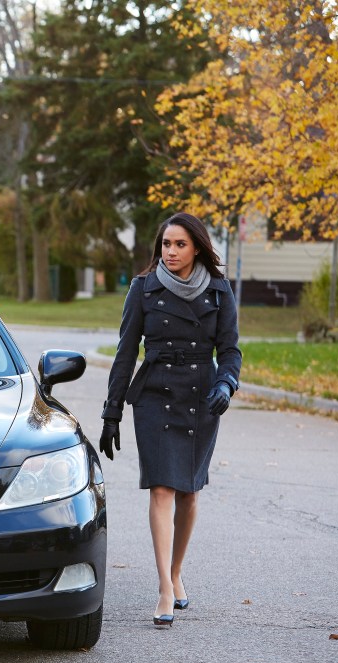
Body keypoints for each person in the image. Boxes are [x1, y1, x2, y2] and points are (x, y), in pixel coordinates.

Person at [99, 212, 242, 627]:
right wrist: (112, 413)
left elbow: (230, 350)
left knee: (189, 492)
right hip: (155, 393)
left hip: (201, 395)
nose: (172, 251)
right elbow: (126, 353)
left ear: (196, 246)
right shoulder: (144, 288)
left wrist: (226, 384)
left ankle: (177, 571)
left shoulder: (218, 291)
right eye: (166, 244)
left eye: (180, 244)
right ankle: (165, 586)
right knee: (161, 488)